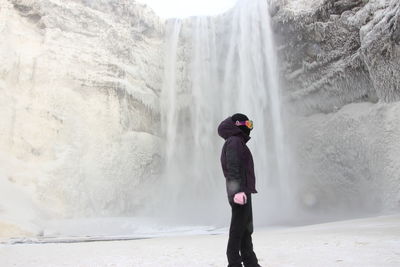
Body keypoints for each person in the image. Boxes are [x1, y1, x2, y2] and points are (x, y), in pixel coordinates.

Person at [218, 113, 261, 267]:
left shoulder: (236, 141)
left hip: (243, 191)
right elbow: (233, 166)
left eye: (252, 125)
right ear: (238, 124)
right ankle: (234, 263)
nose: (250, 128)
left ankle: (250, 263)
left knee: (245, 230)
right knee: (238, 231)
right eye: (248, 124)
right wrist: (237, 191)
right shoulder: (234, 141)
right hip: (239, 192)